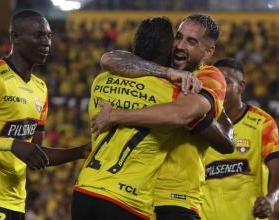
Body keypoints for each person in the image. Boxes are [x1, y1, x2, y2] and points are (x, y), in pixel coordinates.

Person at [72, 17, 232, 220]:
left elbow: (181, 114)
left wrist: (116, 115)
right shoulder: (158, 74)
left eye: (191, 42)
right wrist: (168, 72)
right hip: (139, 197)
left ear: (208, 52)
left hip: (176, 197)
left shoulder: (208, 76)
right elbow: (108, 59)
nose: (180, 46)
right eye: (178, 37)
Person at [0, 10, 89, 220]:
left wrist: (80, 151)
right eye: (39, 35)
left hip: (17, 204)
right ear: (15, 37)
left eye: (49, 35)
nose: (46, 42)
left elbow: (36, 152)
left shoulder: (41, 88)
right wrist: (12, 144)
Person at [201, 58, 279, 220]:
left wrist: (271, 198)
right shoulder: (200, 121)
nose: (219, 87)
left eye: (226, 81)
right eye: (215, 81)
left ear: (241, 86)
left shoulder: (262, 122)